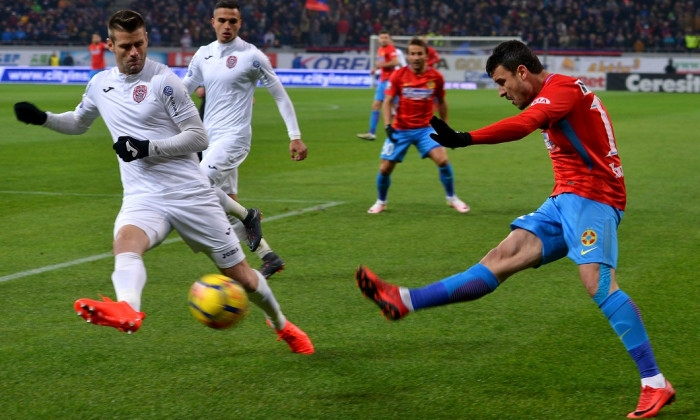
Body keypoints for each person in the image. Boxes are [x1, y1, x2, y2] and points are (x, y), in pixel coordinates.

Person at [356, 40, 674, 417]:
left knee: (598, 284)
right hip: (564, 199)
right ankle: (404, 301)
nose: (501, 91)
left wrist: (465, 138)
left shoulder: (563, 89)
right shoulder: (552, 93)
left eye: (502, 81)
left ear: (523, 71)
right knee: (499, 259)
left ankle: (655, 382)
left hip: (595, 198)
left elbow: (524, 126)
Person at [13, 10, 313, 355]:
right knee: (125, 243)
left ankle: (282, 324)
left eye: (139, 44)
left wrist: (146, 148)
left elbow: (198, 137)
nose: (134, 52)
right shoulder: (100, 84)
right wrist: (44, 119)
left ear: (146, 41)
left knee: (242, 277)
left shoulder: (164, 80)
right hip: (143, 195)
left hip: (190, 194)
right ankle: (128, 308)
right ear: (110, 45)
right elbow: (79, 122)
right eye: (125, 46)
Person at [182, 0, 308, 279]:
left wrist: (295, 136)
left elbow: (280, 96)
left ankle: (249, 217)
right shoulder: (203, 54)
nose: (227, 26)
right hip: (209, 140)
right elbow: (184, 90)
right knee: (223, 206)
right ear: (212, 22)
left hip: (234, 138)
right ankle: (269, 256)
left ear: (240, 24)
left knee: (197, 186)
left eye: (233, 21)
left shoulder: (252, 56)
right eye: (222, 20)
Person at [366, 37, 469, 215]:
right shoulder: (398, 75)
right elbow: (388, 101)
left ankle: (452, 198)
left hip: (425, 129)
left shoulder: (436, 77)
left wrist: (446, 127)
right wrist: (388, 125)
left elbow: (442, 101)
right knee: (384, 168)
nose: (416, 57)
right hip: (400, 129)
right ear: (408, 56)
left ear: (426, 56)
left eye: (419, 54)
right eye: (412, 54)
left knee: (443, 160)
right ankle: (381, 201)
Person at [357, 30, 399, 141]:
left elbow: (395, 62)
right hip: (382, 80)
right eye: (382, 37)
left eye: (386, 37)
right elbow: (383, 64)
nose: (384, 39)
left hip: (390, 81)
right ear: (379, 39)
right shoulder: (380, 49)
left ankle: (401, 130)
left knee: (393, 107)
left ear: (388, 39)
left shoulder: (390, 48)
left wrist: (382, 65)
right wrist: (376, 68)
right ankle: (372, 133)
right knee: (376, 105)